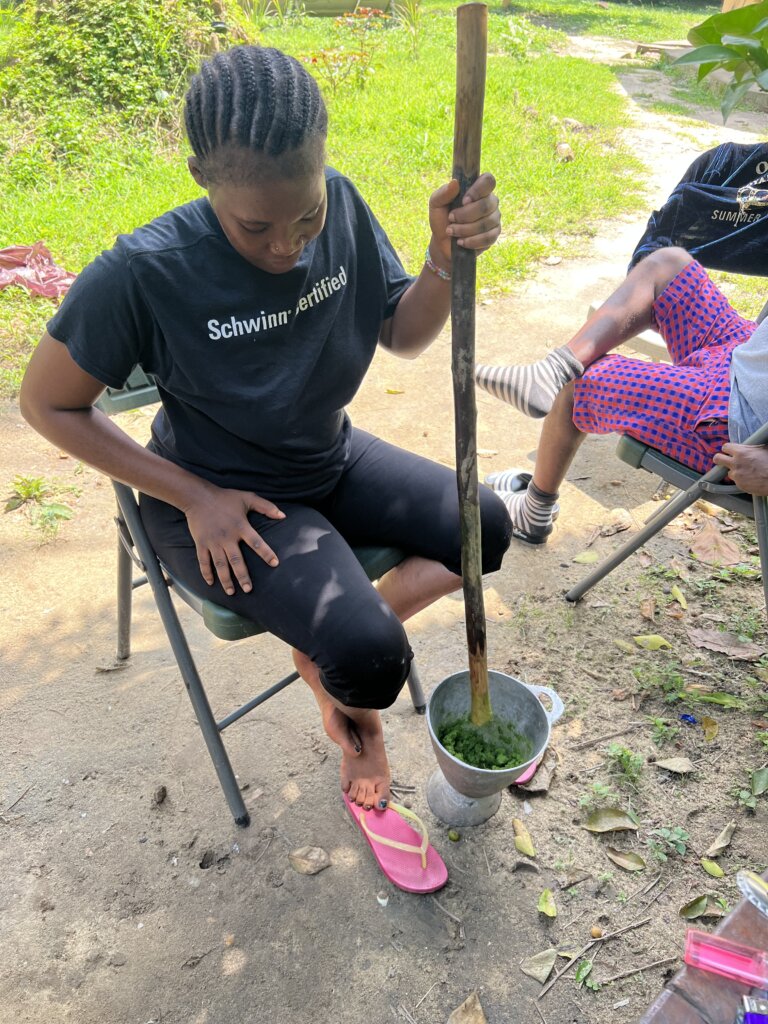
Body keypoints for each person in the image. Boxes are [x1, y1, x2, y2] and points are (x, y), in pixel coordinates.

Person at [20, 46, 512, 830]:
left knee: (486, 524)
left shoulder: (345, 206)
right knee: (375, 658)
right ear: (201, 177)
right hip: (223, 502)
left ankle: (330, 642)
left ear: (324, 164)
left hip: (329, 457)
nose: (289, 246)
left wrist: (442, 260)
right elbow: (47, 405)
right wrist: (194, 496)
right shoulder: (143, 273)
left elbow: (405, 332)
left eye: (306, 214)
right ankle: (349, 675)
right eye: (256, 227)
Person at [474, 246, 768, 544]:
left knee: (582, 380)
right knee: (668, 266)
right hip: (745, 353)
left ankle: (533, 512)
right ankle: (551, 371)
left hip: (733, 419)